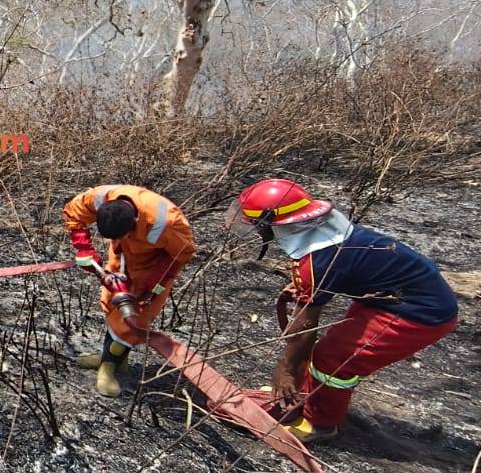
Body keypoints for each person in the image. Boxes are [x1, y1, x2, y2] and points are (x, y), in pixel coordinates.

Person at [228, 178, 458, 444]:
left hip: (419, 313)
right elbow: (341, 270)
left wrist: (286, 369)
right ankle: (302, 395)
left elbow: (305, 328)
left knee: (333, 360)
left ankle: (320, 424)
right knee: (329, 349)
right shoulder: (326, 231)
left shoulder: (318, 259)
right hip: (391, 297)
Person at [64, 185, 197, 396]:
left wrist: (154, 286)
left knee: (134, 316)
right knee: (111, 303)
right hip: (123, 253)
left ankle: (108, 366)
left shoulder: (167, 222)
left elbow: (182, 254)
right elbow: (73, 212)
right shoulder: (101, 198)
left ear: (134, 223)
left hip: (153, 267)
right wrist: (84, 249)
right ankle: (115, 359)